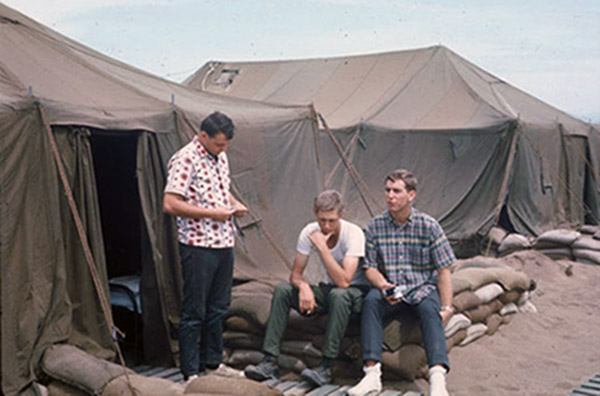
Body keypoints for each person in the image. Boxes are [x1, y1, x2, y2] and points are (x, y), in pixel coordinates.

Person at [244, 190, 368, 386]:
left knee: (339, 294)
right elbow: (295, 274)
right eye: (322, 220)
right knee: (283, 290)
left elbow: (345, 281)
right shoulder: (309, 231)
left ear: (341, 215)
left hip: (356, 295)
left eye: (332, 221)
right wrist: (303, 287)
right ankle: (269, 361)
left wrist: (323, 248)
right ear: (314, 213)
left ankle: (326, 366)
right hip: (331, 290)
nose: (326, 226)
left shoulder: (354, 234)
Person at [347, 169, 455, 396]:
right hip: (392, 288)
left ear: (411, 195)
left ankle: (437, 379)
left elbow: (443, 269)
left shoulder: (429, 226)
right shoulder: (375, 226)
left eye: (396, 191)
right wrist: (382, 284)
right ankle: (372, 374)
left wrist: (447, 307)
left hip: (422, 287)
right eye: (387, 190)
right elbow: (371, 268)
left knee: (430, 311)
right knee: (371, 302)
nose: (390, 196)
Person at [163, 111, 248, 382]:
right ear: (203, 136)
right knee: (194, 310)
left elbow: (222, 191)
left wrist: (234, 205)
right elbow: (170, 203)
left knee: (219, 307)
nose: (223, 149)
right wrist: (212, 214)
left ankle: (213, 362)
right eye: (219, 144)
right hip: (198, 245)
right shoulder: (184, 158)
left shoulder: (221, 157)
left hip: (224, 242)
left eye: (226, 145)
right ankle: (190, 372)